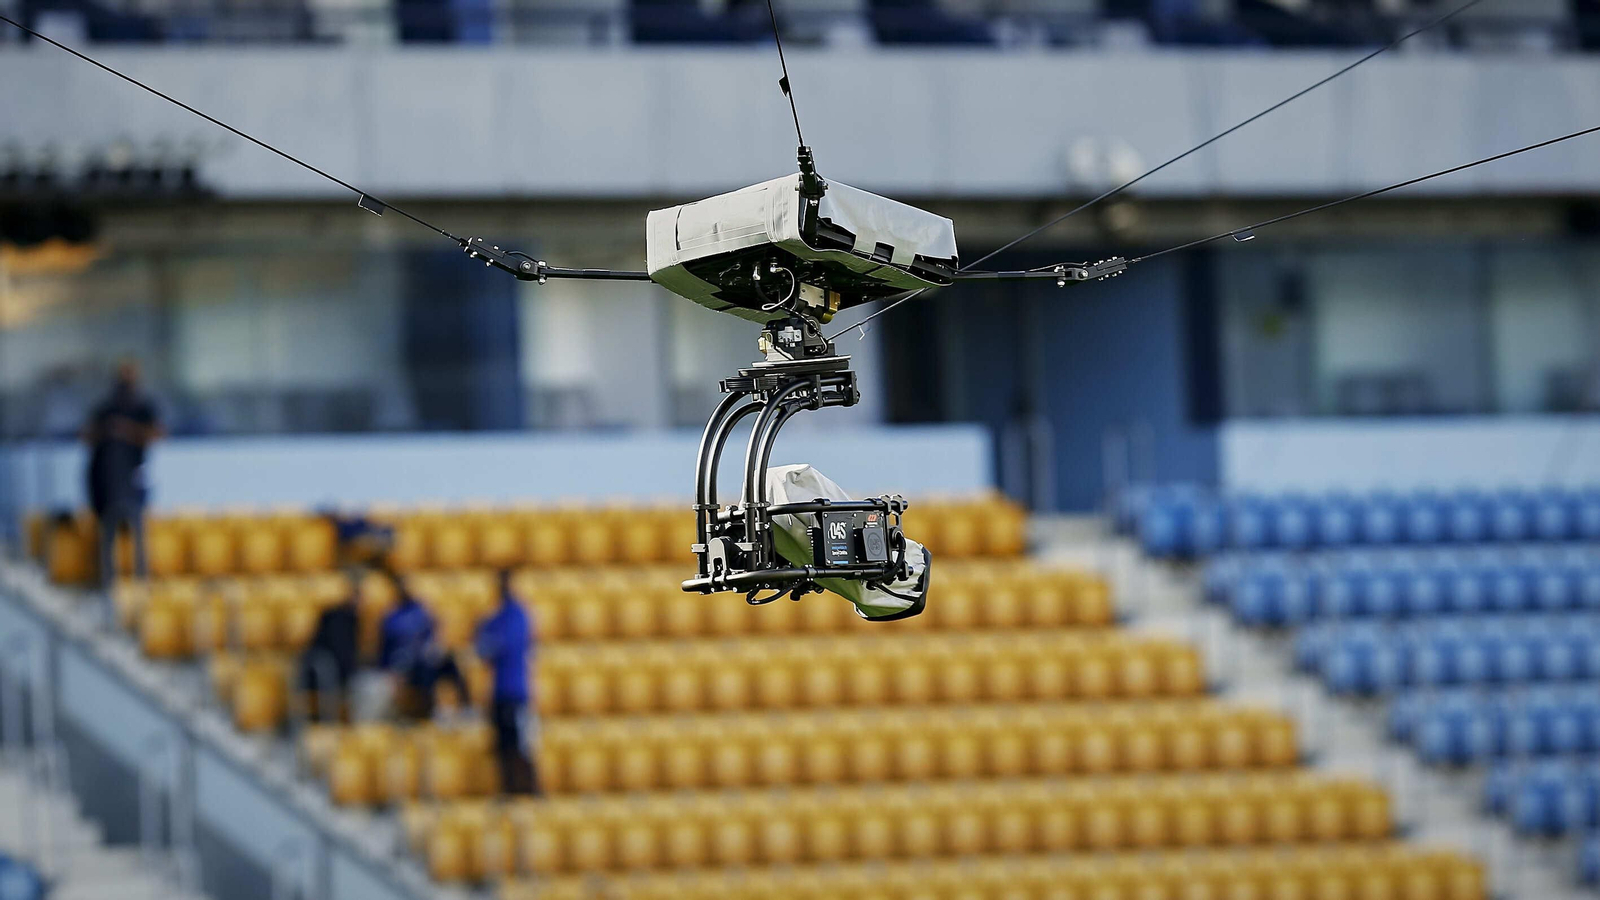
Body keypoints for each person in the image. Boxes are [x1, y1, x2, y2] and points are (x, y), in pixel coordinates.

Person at [81, 360, 162, 593]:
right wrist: (107, 431)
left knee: (137, 531)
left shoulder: (142, 407)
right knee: (108, 534)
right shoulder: (106, 408)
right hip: (107, 484)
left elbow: (157, 433)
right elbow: (87, 435)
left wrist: (127, 430)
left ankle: (141, 584)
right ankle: (109, 586)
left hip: (133, 480)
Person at [475, 570, 537, 796]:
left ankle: (530, 789)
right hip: (501, 690)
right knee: (503, 745)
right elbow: (482, 649)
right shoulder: (499, 618)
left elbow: (493, 646)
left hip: (516, 690)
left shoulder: (516, 616)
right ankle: (509, 789)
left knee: (521, 744)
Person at [378, 569, 469, 720]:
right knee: (424, 670)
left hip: (425, 657)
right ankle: (429, 710)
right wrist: (388, 670)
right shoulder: (392, 618)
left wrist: (434, 647)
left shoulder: (421, 610)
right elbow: (386, 650)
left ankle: (465, 706)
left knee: (450, 662)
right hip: (405, 663)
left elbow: (434, 633)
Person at [299, 574, 360, 722]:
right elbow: (339, 650)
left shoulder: (352, 619)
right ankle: (331, 722)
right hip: (322, 672)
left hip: (335, 671)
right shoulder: (337, 619)